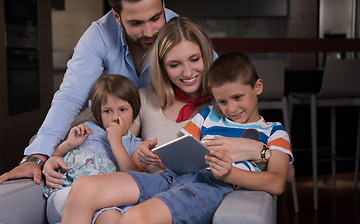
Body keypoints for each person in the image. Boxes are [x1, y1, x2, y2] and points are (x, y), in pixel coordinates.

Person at [59, 17, 272, 224]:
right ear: (162, 67)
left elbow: (281, 169)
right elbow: (112, 140)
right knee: (84, 189)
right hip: (150, 184)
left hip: (189, 194)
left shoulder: (227, 105)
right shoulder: (141, 99)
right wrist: (52, 155)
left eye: (195, 59)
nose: (188, 72)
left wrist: (261, 151)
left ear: (206, 56)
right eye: (174, 64)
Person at [0, 0, 178, 185]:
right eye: (136, 23)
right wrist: (35, 157)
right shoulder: (99, 34)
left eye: (156, 18)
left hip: (160, 108)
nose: (149, 32)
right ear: (117, 17)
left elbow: (213, 79)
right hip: (114, 110)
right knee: (42, 143)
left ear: (163, 5)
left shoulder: (180, 30)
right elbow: (71, 96)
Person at [183, 52, 293, 193]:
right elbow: (181, 150)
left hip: (207, 187)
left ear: (257, 87)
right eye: (222, 101)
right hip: (184, 178)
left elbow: (277, 184)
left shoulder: (275, 132)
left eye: (238, 97)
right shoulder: (207, 115)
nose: (232, 109)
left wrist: (229, 174)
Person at [44, 75, 146, 223]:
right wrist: (69, 144)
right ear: (98, 112)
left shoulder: (135, 144)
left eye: (123, 109)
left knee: (112, 217)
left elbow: (136, 179)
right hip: (67, 194)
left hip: (105, 203)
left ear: (134, 110)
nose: (115, 117)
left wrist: (116, 143)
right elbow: (55, 157)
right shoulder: (88, 130)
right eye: (107, 111)